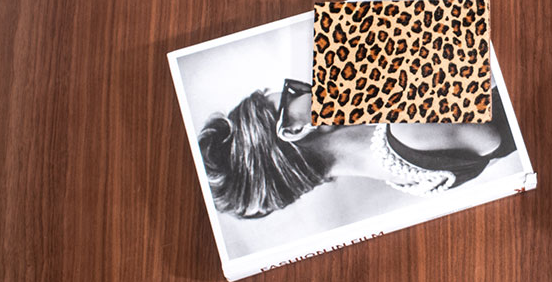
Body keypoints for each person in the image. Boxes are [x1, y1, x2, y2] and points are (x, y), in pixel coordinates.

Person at [199, 78, 516, 218]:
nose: (306, 87)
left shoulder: (401, 177)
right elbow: (493, 136)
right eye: (290, 94)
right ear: (293, 130)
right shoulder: (403, 129)